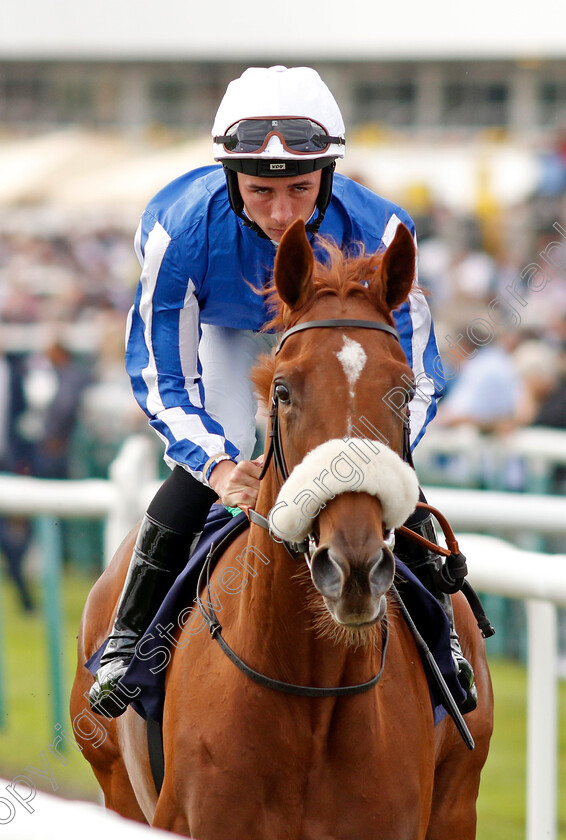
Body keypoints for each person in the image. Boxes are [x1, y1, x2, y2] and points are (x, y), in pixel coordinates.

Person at [89, 65, 475, 718]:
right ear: (229, 178)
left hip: (330, 340)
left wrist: (373, 455)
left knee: (378, 469)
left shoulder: (381, 232)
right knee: (232, 448)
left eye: (300, 187)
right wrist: (217, 468)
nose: (281, 212)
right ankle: (129, 637)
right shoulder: (177, 234)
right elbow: (163, 378)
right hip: (227, 333)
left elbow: (419, 376)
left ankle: (446, 643)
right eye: (260, 190)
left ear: (327, 175)